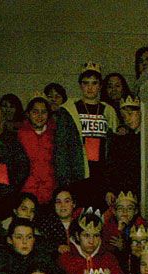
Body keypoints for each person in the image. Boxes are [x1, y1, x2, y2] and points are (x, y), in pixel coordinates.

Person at [53, 63, 119, 205]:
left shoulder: (108, 111)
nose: (90, 87)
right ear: (80, 85)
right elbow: (61, 149)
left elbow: (113, 151)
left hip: (101, 177)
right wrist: (65, 182)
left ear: (100, 86)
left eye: (94, 83)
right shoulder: (68, 111)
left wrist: (111, 185)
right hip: (77, 176)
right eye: (86, 83)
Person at [58, 208, 125, 274]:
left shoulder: (109, 259)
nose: (91, 241)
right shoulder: (66, 258)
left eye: (96, 236)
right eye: (86, 235)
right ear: (78, 236)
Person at [17, 94, 57, 206]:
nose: (39, 116)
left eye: (43, 112)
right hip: (26, 192)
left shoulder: (55, 134)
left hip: (50, 192)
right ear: (28, 113)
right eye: (35, 112)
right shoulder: (20, 135)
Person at [38, 187, 79, 257]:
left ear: (74, 204)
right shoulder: (45, 225)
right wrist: (57, 247)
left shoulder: (81, 223)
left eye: (67, 201)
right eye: (58, 202)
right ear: (54, 205)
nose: (62, 205)